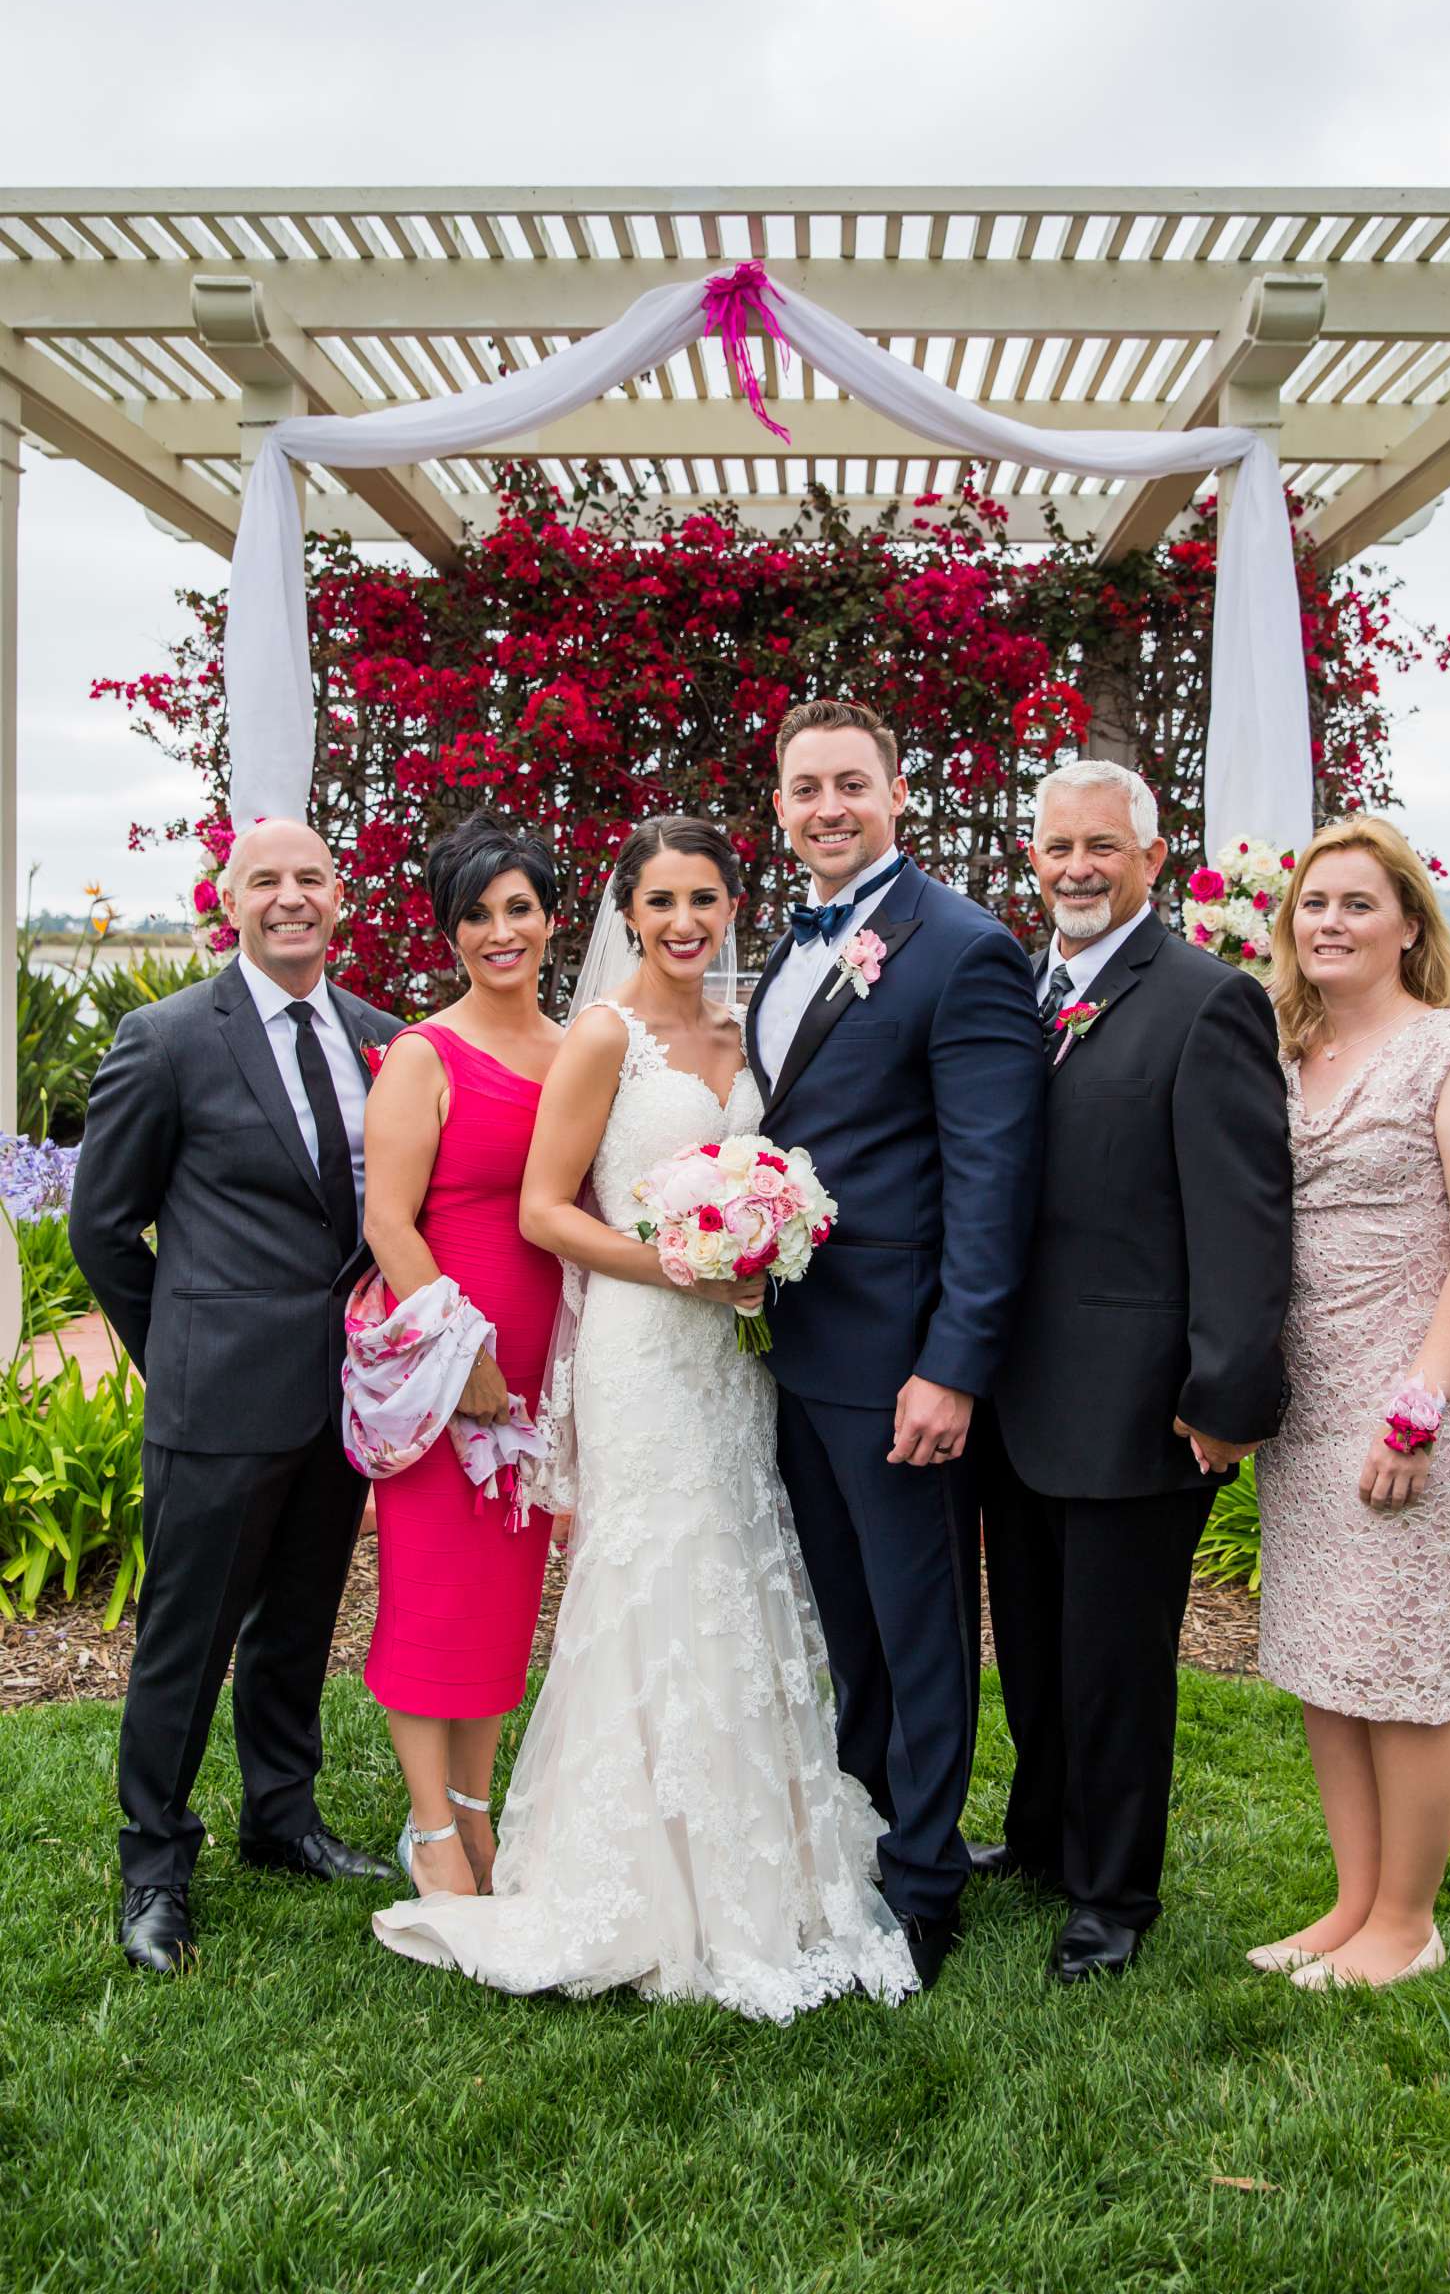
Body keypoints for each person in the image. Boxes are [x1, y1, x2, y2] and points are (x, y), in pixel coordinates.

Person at [370, 815, 918, 2019]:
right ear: (626, 910)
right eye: (660, 901)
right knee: (652, 1574)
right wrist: (676, 1267)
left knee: (737, 1561)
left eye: (705, 900)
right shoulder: (602, 1036)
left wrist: (765, 1236)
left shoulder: (745, 1027)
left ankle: (746, 1844)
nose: (684, 923)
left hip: (732, 1352)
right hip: (641, 1347)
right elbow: (539, 1213)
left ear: (731, 905)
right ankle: (624, 1866)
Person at [978, 760, 1293, 1987]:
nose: (1074, 868)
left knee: (1115, 1660)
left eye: (1101, 847)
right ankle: (1043, 1834)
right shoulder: (1023, 987)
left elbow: (1243, 1217)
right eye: (1056, 846)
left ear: (1153, 860)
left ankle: (1112, 1895)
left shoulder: (1206, 1001)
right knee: (1043, 1643)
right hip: (1016, 1393)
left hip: (1138, 1398)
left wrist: (1224, 1394)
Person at [69, 818, 402, 1974]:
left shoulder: (381, 1040)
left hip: (339, 1401)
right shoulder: (163, 1039)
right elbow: (102, 1228)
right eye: (267, 880)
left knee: (297, 1626)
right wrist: (183, 1354)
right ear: (233, 900)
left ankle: (282, 1817)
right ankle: (154, 1865)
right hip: (215, 1401)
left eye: (312, 875)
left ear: (340, 893)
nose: (292, 897)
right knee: (185, 1640)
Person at [748, 698, 1045, 1988]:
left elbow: (993, 1177)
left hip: (900, 1363)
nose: (827, 807)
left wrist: (953, 1365)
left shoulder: (960, 947)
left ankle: (925, 1884)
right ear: (778, 807)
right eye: (804, 787)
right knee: (850, 1624)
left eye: (850, 785)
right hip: (797, 1349)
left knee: (920, 1624)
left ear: (897, 793)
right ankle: (866, 1830)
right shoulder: (789, 946)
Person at [1248, 816, 1450, 1989]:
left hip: (1412, 1407)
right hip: (1305, 1412)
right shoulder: (1279, 1050)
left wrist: (1417, 1409)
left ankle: (1407, 1925)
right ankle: (1351, 1905)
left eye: (1359, 904)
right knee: (1327, 1666)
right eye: (1315, 904)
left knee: (1404, 1675)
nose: (1331, 924)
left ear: (1409, 924)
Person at [358, 812, 566, 1899]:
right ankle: (430, 1828)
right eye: (476, 915)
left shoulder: (579, 1048)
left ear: (548, 917)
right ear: (449, 935)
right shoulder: (421, 1053)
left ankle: (480, 1812)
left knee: (505, 1596)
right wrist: (467, 1353)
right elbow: (391, 1223)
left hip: (545, 1379)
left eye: (517, 908)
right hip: (450, 1380)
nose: (500, 931)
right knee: (431, 1592)